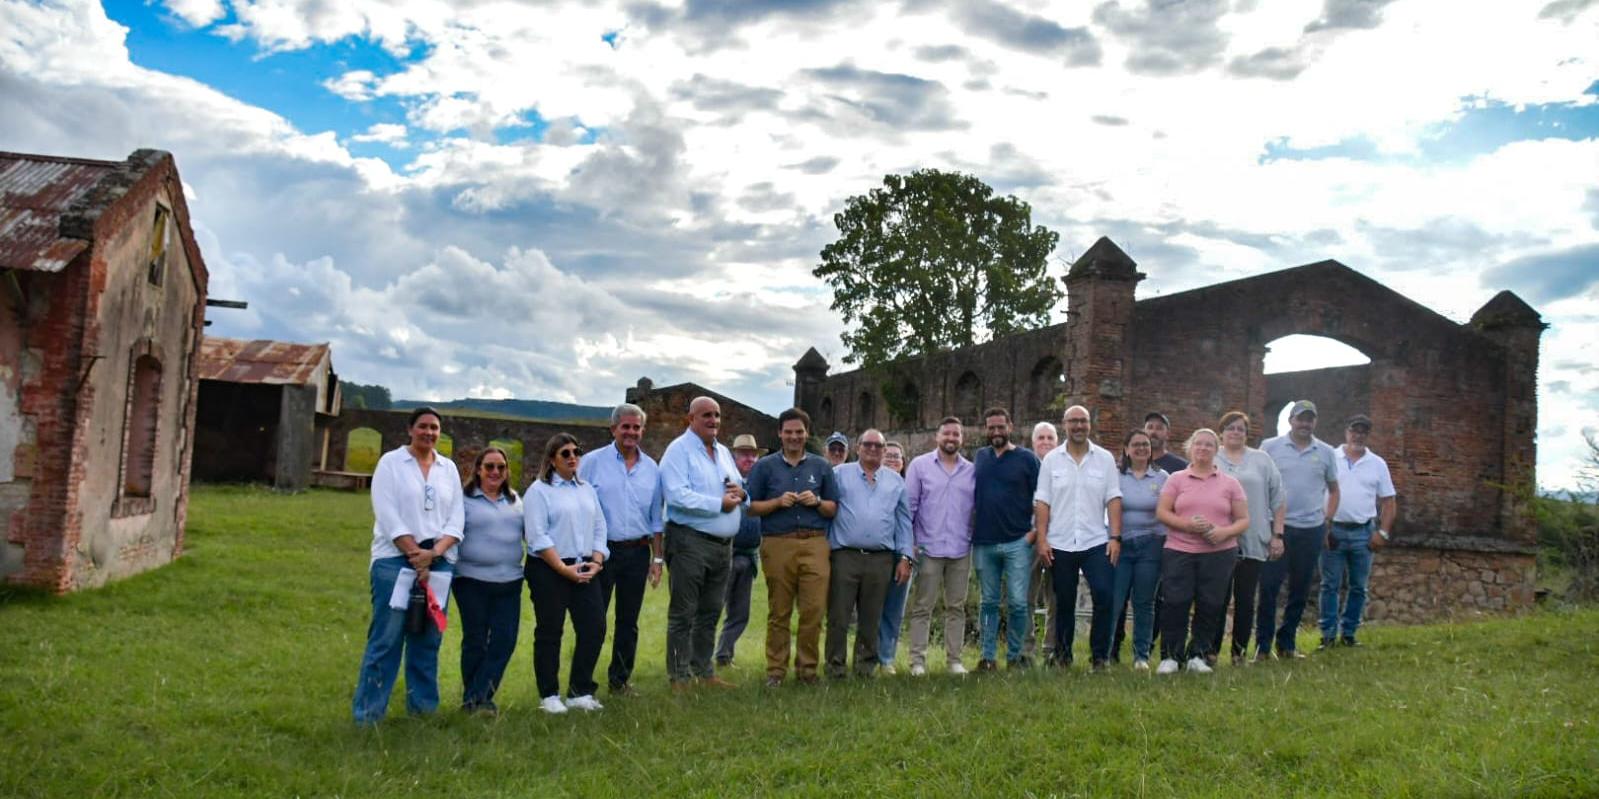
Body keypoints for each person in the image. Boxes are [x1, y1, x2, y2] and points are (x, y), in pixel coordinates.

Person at [352, 406, 463, 725]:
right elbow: (387, 514)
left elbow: (456, 518)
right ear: (410, 429)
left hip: (439, 563)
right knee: (387, 638)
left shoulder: (448, 468)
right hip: (395, 560)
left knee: (428, 639)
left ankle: (423, 712)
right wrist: (416, 555)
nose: (429, 433)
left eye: (435, 428)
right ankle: (369, 715)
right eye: (423, 426)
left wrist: (434, 554)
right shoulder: (391, 463)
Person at [658, 396, 748, 689]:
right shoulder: (678, 451)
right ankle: (678, 675)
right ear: (691, 419)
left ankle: (703, 670)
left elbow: (735, 485)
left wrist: (741, 493)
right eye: (706, 415)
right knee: (683, 613)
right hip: (690, 541)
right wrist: (717, 504)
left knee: (710, 611)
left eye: (717, 415)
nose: (713, 421)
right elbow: (675, 494)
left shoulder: (722, 451)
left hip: (723, 545)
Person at [746, 408, 839, 686]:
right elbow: (750, 507)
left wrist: (817, 502)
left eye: (799, 432)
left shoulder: (821, 466)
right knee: (779, 611)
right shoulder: (765, 466)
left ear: (807, 434)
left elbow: (833, 508)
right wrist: (776, 502)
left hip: (814, 542)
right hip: (778, 543)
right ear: (780, 433)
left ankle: (807, 671)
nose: (794, 437)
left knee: (813, 611)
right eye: (789, 432)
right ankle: (775, 671)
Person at [578, 403, 664, 697]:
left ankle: (620, 681)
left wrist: (657, 558)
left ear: (643, 430)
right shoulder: (591, 462)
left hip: (637, 552)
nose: (631, 432)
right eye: (625, 426)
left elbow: (656, 517)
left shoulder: (652, 468)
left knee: (628, 621)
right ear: (613, 428)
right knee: (594, 621)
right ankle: (583, 684)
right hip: (601, 553)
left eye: (636, 427)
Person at [524, 433, 609, 714]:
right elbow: (537, 536)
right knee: (550, 630)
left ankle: (580, 691)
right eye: (565, 453)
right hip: (549, 569)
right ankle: (549, 695)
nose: (573, 457)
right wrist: (562, 569)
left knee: (594, 626)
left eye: (576, 451)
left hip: (585, 566)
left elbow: (599, 526)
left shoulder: (586, 488)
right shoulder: (539, 491)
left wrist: (597, 560)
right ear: (551, 459)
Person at [1032, 406, 1122, 670]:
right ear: (1065, 425)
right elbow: (1043, 501)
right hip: (1060, 542)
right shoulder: (1052, 461)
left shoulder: (1104, 459)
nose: (1078, 426)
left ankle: (1099, 657)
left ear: (1090, 425)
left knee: (1104, 595)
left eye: (1083, 421)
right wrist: (1042, 539)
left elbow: (1114, 498)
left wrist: (1115, 537)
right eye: (1073, 421)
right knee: (1063, 600)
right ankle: (1063, 656)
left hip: (1095, 541)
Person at [1153, 429, 1249, 675]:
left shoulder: (1230, 483)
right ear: (1190, 448)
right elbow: (1163, 513)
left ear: (1216, 450)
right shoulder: (1176, 479)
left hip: (1219, 552)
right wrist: (1187, 525)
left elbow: (1243, 520)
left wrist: (1223, 532)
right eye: (1199, 444)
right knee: (1176, 602)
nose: (1203, 448)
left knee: (1211, 603)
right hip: (1179, 550)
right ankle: (1171, 656)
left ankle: (1198, 654)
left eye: (1209, 445)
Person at [826, 430, 914, 678]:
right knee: (839, 615)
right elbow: (827, 511)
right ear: (858, 447)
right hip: (845, 555)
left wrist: (906, 557)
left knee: (871, 617)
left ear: (885, 451)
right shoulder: (838, 474)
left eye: (878, 446)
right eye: (868, 444)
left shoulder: (896, 481)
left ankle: (865, 669)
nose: (873, 449)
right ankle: (835, 668)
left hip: (880, 559)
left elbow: (904, 523)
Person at [1257, 400, 1340, 660]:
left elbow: (1334, 489)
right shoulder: (1270, 447)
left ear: (1315, 422)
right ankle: (1263, 646)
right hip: (1277, 528)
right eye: (1300, 419)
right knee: (1269, 587)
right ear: (1290, 420)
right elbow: (1260, 484)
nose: (1304, 424)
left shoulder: (1326, 452)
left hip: (1311, 529)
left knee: (1300, 589)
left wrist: (1327, 519)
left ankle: (1287, 644)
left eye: (1309, 419)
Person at [1211, 411, 1286, 666]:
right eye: (1230, 428)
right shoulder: (1211, 456)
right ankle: (1210, 651)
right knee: (1216, 598)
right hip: (1216, 540)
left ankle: (1238, 653)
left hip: (1253, 539)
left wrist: (1278, 534)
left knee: (1245, 599)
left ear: (1247, 433)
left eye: (1240, 428)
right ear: (1220, 432)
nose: (1235, 432)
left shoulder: (1261, 460)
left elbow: (1278, 499)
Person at [452, 446, 524, 715]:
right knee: (475, 639)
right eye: (489, 467)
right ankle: (479, 701)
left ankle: (476, 696)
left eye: (501, 467)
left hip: (509, 581)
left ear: (507, 472)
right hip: (471, 580)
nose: (495, 472)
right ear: (479, 469)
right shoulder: (463, 500)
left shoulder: (516, 501)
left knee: (505, 640)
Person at [904, 417, 976, 676]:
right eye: (946, 434)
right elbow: (909, 507)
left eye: (956, 434)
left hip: (960, 548)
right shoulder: (920, 466)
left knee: (956, 607)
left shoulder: (971, 471)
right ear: (937, 436)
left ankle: (954, 661)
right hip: (928, 548)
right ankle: (917, 662)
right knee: (923, 606)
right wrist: (909, 543)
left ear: (961, 439)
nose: (951, 438)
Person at [972, 407, 1041, 671]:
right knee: (988, 602)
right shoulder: (980, 457)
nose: (996, 432)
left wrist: (1034, 533)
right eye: (991, 427)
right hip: (984, 541)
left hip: (1018, 542)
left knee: (1017, 602)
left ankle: (1015, 657)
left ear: (1010, 426)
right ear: (986, 430)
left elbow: (1044, 496)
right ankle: (988, 657)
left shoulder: (1027, 459)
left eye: (1001, 427)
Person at [1321, 414, 1396, 649]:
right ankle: (1328, 635)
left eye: (1363, 432)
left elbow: (1389, 501)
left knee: (1358, 586)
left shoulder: (1377, 463)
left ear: (1367, 435)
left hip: (1363, 531)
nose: (1358, 435)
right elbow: (1316, 490)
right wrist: (1322, 527)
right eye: (1355, 431)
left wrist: (1382, 532)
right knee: (1329, 585)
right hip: (1334, 529)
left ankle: (1349, 633)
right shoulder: (1330, 457)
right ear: (1346, 432)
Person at [1108, 429, 1167, 669]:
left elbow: (1169, 509)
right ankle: (1105, 653)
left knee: (1144, 602)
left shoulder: (1162, 477)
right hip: (1120, 545)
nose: (1141, 448)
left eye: (1145, 444)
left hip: (1150, 545)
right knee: (1114, 601)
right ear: (1126, 449)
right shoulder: (1115, 476)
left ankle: (1141, 656)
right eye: (1136, 444)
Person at [715, 434, 766, 667]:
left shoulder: (760, 484)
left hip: (750, 554)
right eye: (744, 454)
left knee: (740, 613)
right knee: (713, 607)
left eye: (753, 454)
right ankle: (699, 657)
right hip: (726, 551)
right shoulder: (725, 480)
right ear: (734, 456)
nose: (749, 458)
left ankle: (724, 653)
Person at [1023, 421, 1060, 660]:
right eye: (1041, 438)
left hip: (1058, 539)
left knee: (1056, 598)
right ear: (1033, 442)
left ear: (1056, 442)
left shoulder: (1063, 467)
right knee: (1024, 596)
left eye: (1050, 438)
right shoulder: (1026, 467)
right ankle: (1026, 649)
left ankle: (1051, 649)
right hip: (1029, 539)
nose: (1045, 441)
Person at [875, 440, 911, 673]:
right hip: (877, 552)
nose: (891, 459)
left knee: (894, 608)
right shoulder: (871, 484)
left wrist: (907, 555)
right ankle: (868, 655)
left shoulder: (908, 487)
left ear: (903, 463)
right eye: (887, 455)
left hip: (902, 553)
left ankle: (886, 658)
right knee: (871, 607)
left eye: (896, 456)